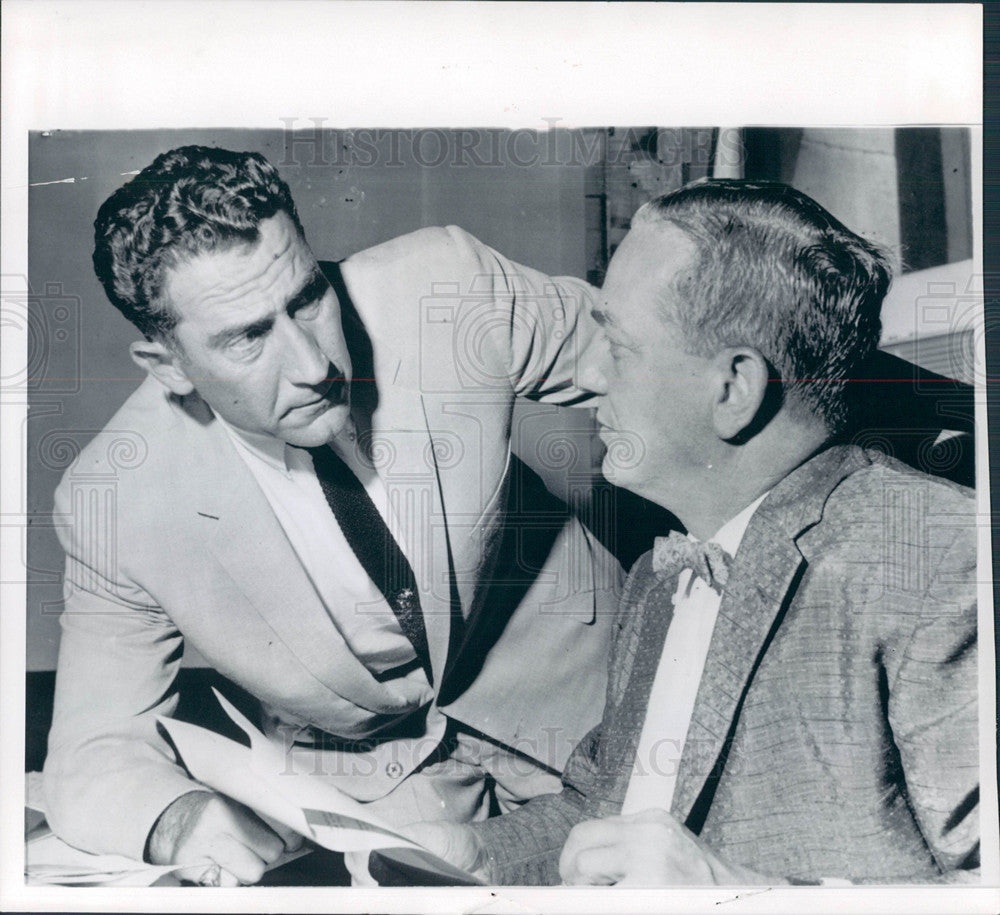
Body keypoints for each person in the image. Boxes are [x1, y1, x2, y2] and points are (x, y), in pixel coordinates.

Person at [42, 146, 621, 884]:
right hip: (378, 785)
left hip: (591, 705)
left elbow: (659, 361)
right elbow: (93, 748)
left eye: (309, 298)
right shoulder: (117, 500)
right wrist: (179, 816)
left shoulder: (444, 285)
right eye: (249, 336)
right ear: (168, 366)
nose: (315, 365)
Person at [414, 180, 980, 885]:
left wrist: (733, 892)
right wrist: (477, 853)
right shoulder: (660, 576)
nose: (589, 375)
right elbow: (605, 809)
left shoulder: (933, 555)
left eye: (616, 346)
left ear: (734, 388)